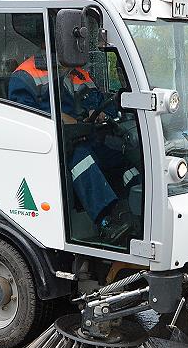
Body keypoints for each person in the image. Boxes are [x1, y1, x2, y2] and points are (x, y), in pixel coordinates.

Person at [8, 51, 138, 244]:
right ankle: (106, 221)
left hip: (88, 137)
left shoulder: (79, 73)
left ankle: (135, 210)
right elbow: (25, 118)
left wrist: (99, 112)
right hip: (55, 147)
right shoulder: (25, 76)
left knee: (123, 152)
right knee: (81, 159)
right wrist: (65, 119)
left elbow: (101, 102)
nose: (79, 44)